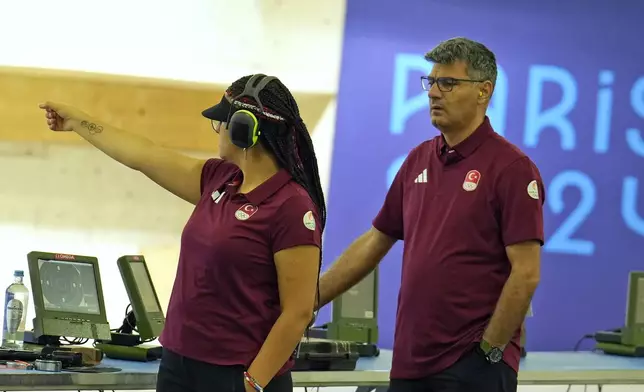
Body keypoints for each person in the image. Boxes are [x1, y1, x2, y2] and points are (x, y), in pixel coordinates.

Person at [39, 74, 325, 392]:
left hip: (236, 374)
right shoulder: (220, 179)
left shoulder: (292, 206)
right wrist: (79, 122)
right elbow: (143, 155)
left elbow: (298, 312)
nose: (216, 129)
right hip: (180, 364)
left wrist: (251, 383)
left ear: (245, 129)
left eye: (221, 122)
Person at [317, 37, 544, 392]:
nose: (433, 93)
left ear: (484, 91)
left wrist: (490, 350)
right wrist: (311, 298)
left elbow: (526, 273)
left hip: (471, 366)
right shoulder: (418, 159)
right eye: (431, 82)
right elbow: (376, 239)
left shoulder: (512, 168)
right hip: (411, 363)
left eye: (448, 83)